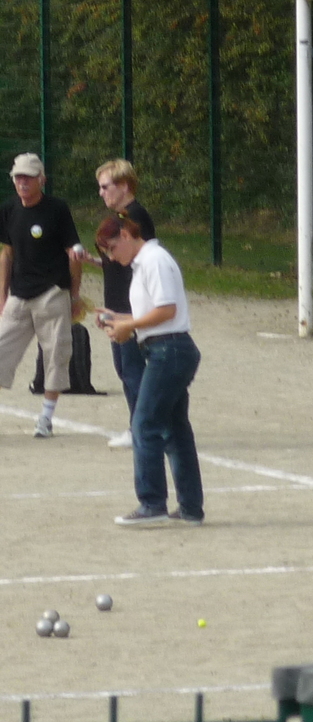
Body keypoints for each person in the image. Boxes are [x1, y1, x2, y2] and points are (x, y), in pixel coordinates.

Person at [94, 215, 205, 526]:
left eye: (113, 247)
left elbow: (167, 310)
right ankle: (190, 507)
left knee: (144, 424)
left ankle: (152, 502)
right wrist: (119, 318)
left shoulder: (154, 260)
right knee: (175, 430)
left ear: (129, 234)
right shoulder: (145, 263)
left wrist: (128, 324)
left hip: (169, 350)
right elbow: (154, 312)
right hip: (166, 348)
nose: (113, 256)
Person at [73, 159, 156, 449]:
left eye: (106, 186)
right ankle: (142, 426)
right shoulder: (123, 215)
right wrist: (94, 260)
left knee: (133, 369)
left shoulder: (135, 217)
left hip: (128, 307)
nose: (101, 192)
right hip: (117, 304)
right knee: (125, 368)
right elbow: (119, 263)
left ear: (123, 186)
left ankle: (142, 429)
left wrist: (131, 313)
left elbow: (139, 262)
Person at [0, 153, 83, 439]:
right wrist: (2, 295)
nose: (22, 182)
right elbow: (7, 254)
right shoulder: (9, 209)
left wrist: (74, 294)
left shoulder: (57, 210)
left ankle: (46, 418)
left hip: (51, 293)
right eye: (18, 177)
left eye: (28, 177)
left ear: (41, 180)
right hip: (19, 295)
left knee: (56, 356)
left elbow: (73, 253)